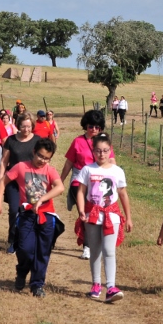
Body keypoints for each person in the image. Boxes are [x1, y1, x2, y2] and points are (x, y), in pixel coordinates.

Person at [0, 138, 64, 297]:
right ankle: (22, 271)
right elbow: (3, 182)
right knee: (25, 249)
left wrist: (42, 199)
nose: (42, 160)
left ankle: (37, 284)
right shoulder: (21, 167)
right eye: (40, 156)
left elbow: (60, 187)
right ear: (33, 152)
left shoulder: (49, 170)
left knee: (42, 251)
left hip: (46, 216)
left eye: (47, 158)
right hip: (26, 215)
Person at [76, 133, 132, 303]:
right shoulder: (88, 169)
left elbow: (122, 194)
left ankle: (111, 286)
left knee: (109, 251)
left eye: (105, 151)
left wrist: (128, 217)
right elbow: (81, 191)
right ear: (93, 151)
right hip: (92, 215)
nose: (102, 154)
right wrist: (81, 211)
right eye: (98, 151)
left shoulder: (117, 171)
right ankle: (96, 284)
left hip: (111, 215)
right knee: (95, 251)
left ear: (110, 151)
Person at [59, 110, 115, 260]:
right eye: (91, 126)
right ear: (85, 126)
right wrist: (60, 182)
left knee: (101, 213)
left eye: (98, 127)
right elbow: (68, 163)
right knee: (85, 214)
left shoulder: (104, 143)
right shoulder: (78, 141)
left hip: (99, 182)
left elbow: (112, 161)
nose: (94, 130)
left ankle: (101, 243)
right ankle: (87, 247)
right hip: (80, 180)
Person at [0, 112, 38, 254]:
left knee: (32, 211)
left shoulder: (37, 141)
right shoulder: (11, 140)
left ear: (32, 126)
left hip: (32, 182)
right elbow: (4, 161)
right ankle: (13, 240)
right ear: (18, 126)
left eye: (28, 126)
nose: (26, 129)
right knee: (14, 210)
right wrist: (1, 179)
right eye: (23, 126)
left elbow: (44, 161)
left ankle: (29, 239)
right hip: (13, 181)